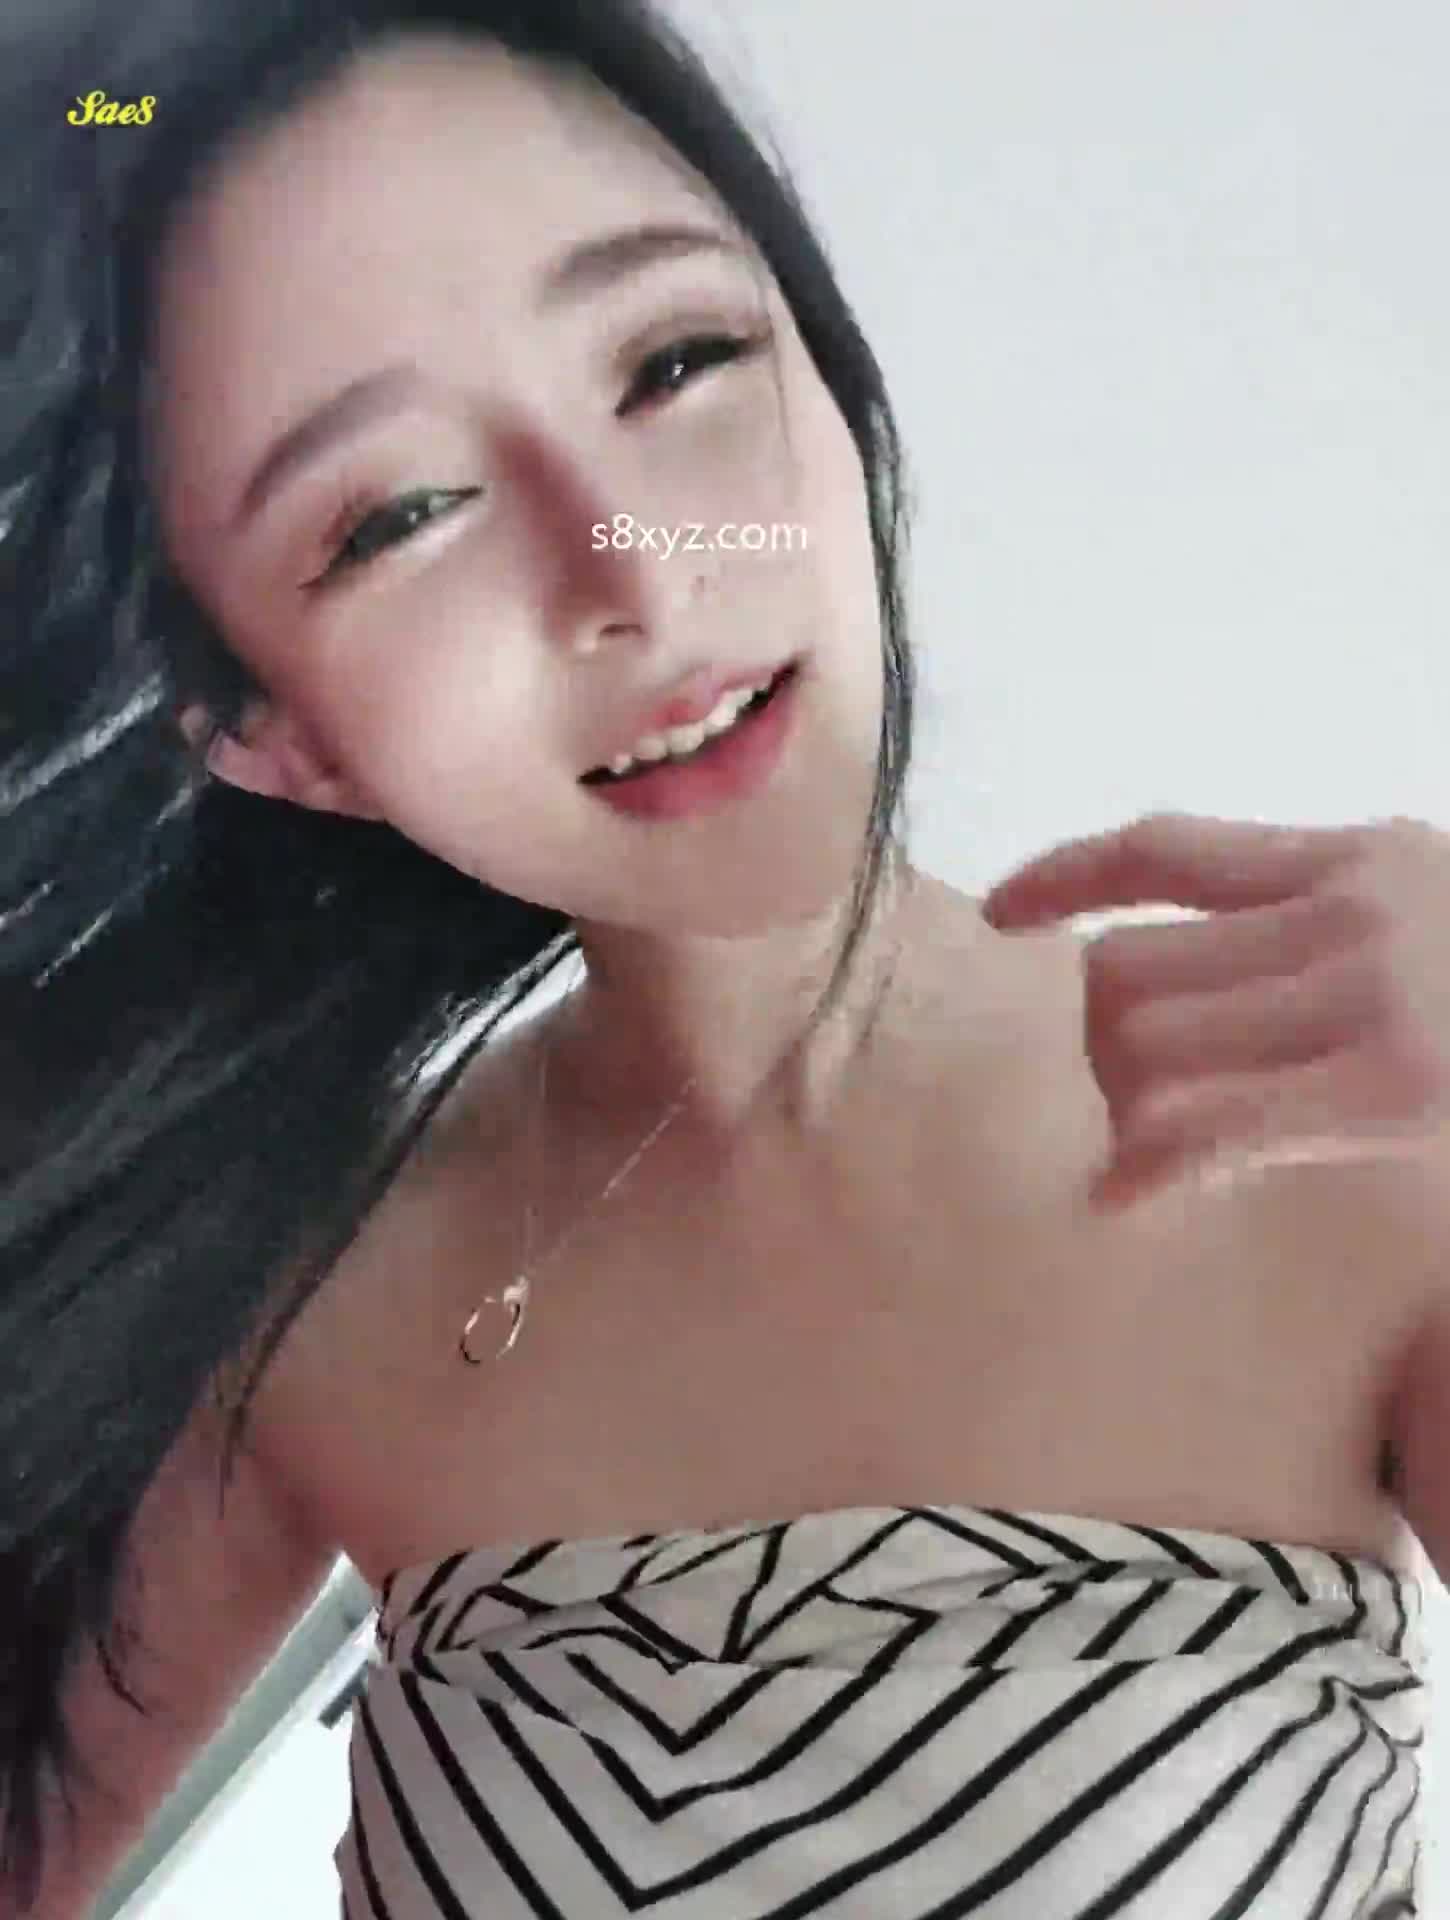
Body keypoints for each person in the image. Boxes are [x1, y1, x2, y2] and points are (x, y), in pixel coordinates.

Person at [0, 2, 1439, 1914]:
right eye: (400, 514)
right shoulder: (293, 1300)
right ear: (270, 733)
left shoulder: (1360, 1140)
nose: (634, 571)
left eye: (675, 360)